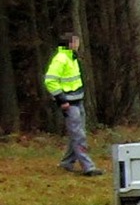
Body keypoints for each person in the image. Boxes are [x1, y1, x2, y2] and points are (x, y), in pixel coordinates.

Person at [44, 32, 103, 176]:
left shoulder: (72, 58)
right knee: (78, 135)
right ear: (70, 44)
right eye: (76, 42)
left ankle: (67, 162)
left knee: (76, 133)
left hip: (77, 100)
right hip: (69, 103)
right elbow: (50, 80)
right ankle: (88, 166)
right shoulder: (61, 59)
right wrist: (62, 100)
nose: (78, 44)